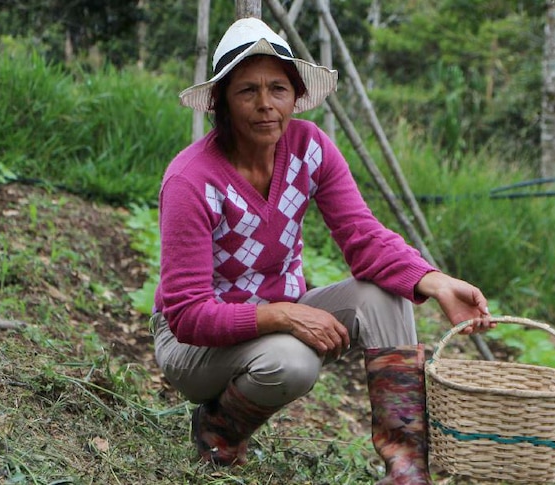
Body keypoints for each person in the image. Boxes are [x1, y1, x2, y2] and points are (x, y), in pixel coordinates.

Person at [151, 17, 494, 485]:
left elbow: (363, 237)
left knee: (384, 295)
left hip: (274, 315)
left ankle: (407, 465)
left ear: (295, 95)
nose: (265, 105)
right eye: (247, 91)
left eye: (278, 88)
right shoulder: (192, 180)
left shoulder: (309, 148)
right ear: (221, 103)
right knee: (293, 363)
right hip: (193, 344)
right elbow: (188, 314)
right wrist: (283, 315)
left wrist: (435, 283)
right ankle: (221, 428)